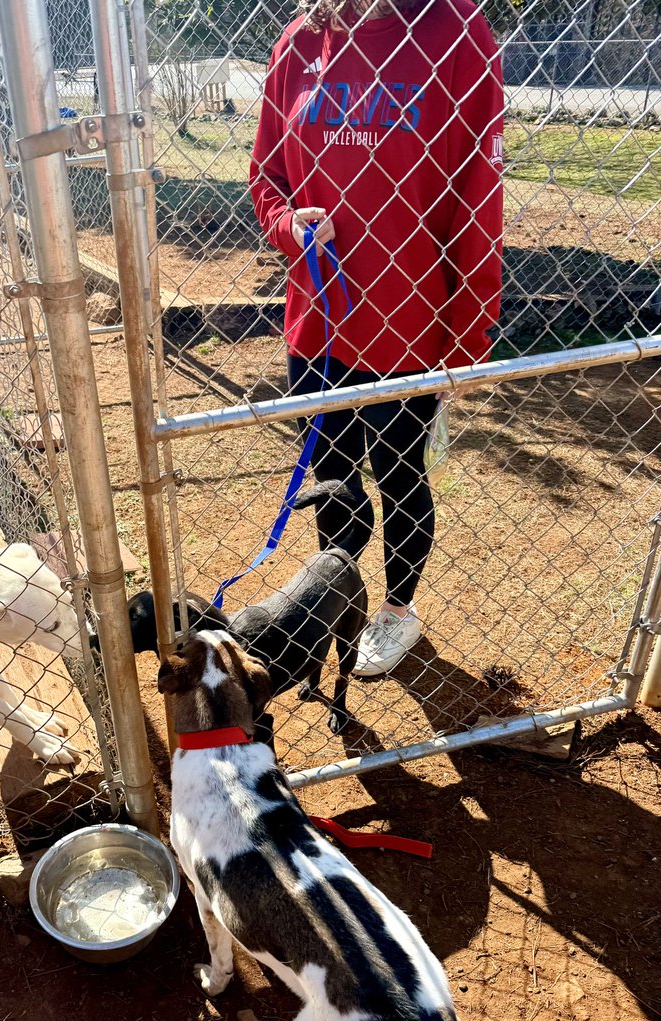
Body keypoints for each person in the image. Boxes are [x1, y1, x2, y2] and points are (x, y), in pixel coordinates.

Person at [249, 0, 504, 676]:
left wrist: (469, 335)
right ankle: (336, 599)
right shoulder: (301, 40)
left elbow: (479, 197)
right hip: (318, 323)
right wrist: (289, 227)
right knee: (331, 479)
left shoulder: (455, 30)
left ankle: (397, 611)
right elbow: (266, 176)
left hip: (410, 325)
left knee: (397, 472)